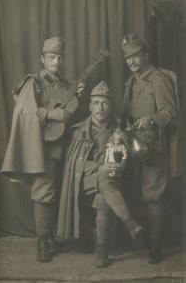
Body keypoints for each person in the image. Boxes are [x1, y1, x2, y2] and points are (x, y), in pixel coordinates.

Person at [1, 36, 84, 262]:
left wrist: (77, 95)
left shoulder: (64, 84)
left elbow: (68, 113)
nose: (56, 61)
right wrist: (49, 113)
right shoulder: (34, 82)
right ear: (42, 59)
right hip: (42, 148)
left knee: (56, 191)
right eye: (52, 57)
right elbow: (25, 113)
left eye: (59, 57)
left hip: (62, 145)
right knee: (43, 193)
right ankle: (42, 243)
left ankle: (50, 237)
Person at [57, 80, 143, 268]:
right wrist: (101, 168)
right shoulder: (78, 131)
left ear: (111, 105)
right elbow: (74, 166)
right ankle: (130, 224)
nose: (100, 107)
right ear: (89, 106)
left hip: (113, 182)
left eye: (104, 102)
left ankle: (102, 253)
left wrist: (120, 165)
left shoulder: (120, 129)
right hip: (84, 182)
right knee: (103, 174)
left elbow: (126, 160)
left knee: (103, 199)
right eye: (96, 102)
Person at [121, 33, 183, 263]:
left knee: (152, 194)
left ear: (145, 55)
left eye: (136, 56)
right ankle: (136, 240)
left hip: (154, 146)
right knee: (131, 190)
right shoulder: (132, 82)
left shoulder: (158, 79)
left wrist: (151, 119)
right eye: (128, 58)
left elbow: (172, 114)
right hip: (133, 144)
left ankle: (155, 249)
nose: (133, 62)